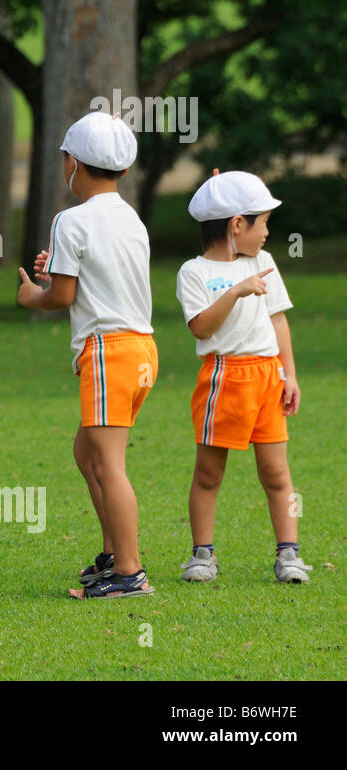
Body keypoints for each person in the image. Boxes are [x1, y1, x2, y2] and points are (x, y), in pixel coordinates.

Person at [16, 112, 157, 598]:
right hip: (142, 349)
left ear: (72, 163)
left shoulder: (70, 219)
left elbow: (60, 297)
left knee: (108, 462)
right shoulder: (130, 217)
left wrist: (31, 294)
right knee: (88, 452)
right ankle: (114, 556)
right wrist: (56, 271)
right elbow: (99, 276)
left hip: (108, 351)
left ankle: (128, 572)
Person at [175, 170, 310, 584]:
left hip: (268, 377)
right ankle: (202, 555)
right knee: (209, 474)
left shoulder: (264, 263)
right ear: (237, 225)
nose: (268, 232)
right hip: (224, 380)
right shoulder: (193, 273)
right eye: (262, 222)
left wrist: (289, 374)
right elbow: (201, 328)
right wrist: (233, 292)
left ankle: (288, 555)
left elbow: (278, 321)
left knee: (277, 474)